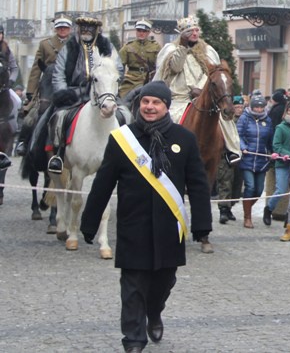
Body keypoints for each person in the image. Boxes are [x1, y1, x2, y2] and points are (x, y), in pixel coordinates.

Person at [79, 82, 212, 353]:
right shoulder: (121, 139)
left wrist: (202, 226)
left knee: (164, 282)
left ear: (165, 107)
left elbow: (197, 184)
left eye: (156, 103)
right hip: (133, 226)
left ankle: (154, 312)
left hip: (168, 228)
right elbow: (103, 183)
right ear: (139, 104)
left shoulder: (184, 139)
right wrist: (89, 222)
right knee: (132, 285)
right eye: (145, 102)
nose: (150, 107)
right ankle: (133, 339)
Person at [47, 15, 123, 173]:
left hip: (103, 92)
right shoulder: (69, 47)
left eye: (91, 28)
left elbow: (118, 70)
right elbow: (59, 73)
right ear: (78, 28)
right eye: (83, 27)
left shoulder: (107, 46)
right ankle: (58, 155)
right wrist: (63, 92)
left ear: (97, 30)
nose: (86, 31)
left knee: (126, 115)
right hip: (74, 92)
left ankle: (127, 155)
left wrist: (110, 89)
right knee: (59, 116)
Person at [153, 15, 220, 123]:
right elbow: (176, 68)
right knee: (170, 121)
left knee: (224, 124)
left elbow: (212, 73)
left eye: (196, 30)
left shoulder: (208, 51)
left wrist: (200, 88)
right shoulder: (171, 49)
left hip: (203, 98)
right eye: (190, 31)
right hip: (179, 100)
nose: (194, 34)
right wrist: (183, 47)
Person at [237, 95, 274, 229]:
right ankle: (247, 217)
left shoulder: (267, 120)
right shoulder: (244, 118)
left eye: (261, 107)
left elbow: (270, 139)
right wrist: (243, 147)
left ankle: (247, 208)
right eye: (256, 107)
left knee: (259, 190)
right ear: (251, 107)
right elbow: (238, 135)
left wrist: (273, 151)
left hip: (261, 159)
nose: (258, 109)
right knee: (250, 186)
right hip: (247, 158)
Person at [263, 101, 290, 226]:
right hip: (282, 164)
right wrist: (286, 154)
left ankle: (289, 218)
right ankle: (268, 209)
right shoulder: (280, 128)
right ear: (286, 112)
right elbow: (276, 146)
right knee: (281, 190)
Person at [25, 15, 72, 101]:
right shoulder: (45, 44)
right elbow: (36, 68)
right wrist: (30, 90)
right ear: (55, 29)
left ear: (69, 29)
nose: (62, 29)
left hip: (69, 82)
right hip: (48, 83)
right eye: (60, 27)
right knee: (31, 110)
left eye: (65, 27)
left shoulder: (76, 44)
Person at [216, 95, 245, 224]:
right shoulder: (224, 120)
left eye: (241, 107)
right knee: (225, 182)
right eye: (236, 106)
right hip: (225, 156)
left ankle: (229, 207)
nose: (238, 109)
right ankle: (223, 209)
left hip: (240, 156)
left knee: (237, 184)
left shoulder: (244, 120)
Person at [118, 19, 161, 98]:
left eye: (144, 31)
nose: (141, 33)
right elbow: (119, 66)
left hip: (151, 79)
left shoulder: (156, 47)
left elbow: (161, 65)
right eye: (139, 30)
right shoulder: (128, 47)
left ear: (149, 32)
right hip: (131, 80)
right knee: (123, 98)